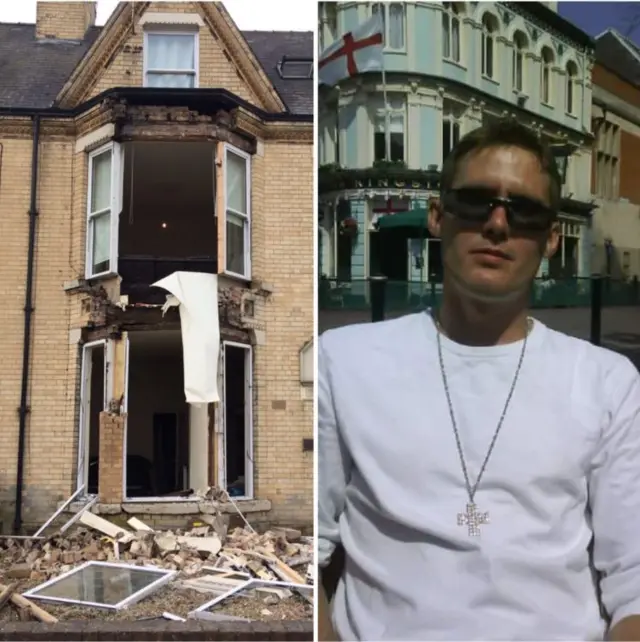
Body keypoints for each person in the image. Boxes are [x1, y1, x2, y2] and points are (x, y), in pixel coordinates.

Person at [317, 120, 640, 641]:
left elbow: (634, 578)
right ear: (439, 217)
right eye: (475, 202)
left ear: (551, 239)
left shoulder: (607, 382)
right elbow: (311, 552)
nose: (497, 224)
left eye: (525, 211)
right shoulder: (345, 359)